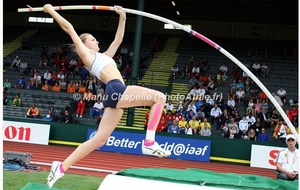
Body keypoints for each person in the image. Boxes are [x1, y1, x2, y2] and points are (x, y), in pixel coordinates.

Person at [43, 4, 170, 188]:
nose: (97, 42)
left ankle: (61, 168)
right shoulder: (87, 55)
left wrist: (122, 16)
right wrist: (50, 10)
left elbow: (117, 40)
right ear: (85, 44)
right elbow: (69, 28)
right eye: (93, 40)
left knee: (99, 139)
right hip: (116, 88)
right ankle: (149, 141)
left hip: (112, 95)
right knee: (160, 98)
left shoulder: (104, 57)